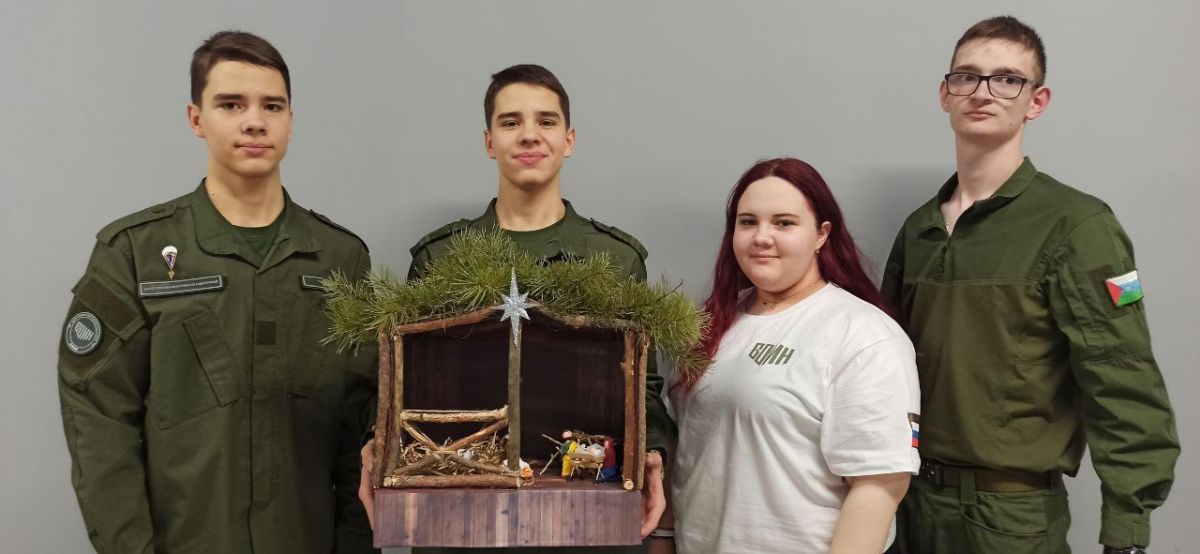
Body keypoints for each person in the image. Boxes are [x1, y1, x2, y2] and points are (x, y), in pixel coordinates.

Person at [56, 31, 377, 553]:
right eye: (231, 104)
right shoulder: (135, 252)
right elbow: (99, 420)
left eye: (272, 105)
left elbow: (362, 427)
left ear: (290, 120)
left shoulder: (341, 260)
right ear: (196, 119)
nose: (255, 121)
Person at [882, 16, 1179, 554]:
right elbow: (882, 370)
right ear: (946, 94)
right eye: (966, 77)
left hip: (1010, 521)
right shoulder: (919, 229)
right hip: (908, 506)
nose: (983, 92)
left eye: (1007, 79)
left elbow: (1122, 379)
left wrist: (1127, 529)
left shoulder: (1077, 226)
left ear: (1036, 101)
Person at [358, 64, 670, 552]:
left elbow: (642, 383)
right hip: (461, 513)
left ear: (569, 139)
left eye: (546, 121)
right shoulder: (442, 257)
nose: (529, 135)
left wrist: (652, 452)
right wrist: (376, 443)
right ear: (489, 142)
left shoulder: (614, 259)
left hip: (583, 515)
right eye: (510, 122)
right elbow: (403, 377)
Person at [667, 158, 920, 553]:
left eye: (784, 223)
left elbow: (880, 487)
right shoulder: (708, 325)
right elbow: (679, 449)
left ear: (821, 234)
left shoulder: (863, 334)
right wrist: (663, 538)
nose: (761, 237)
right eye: (747, 222)